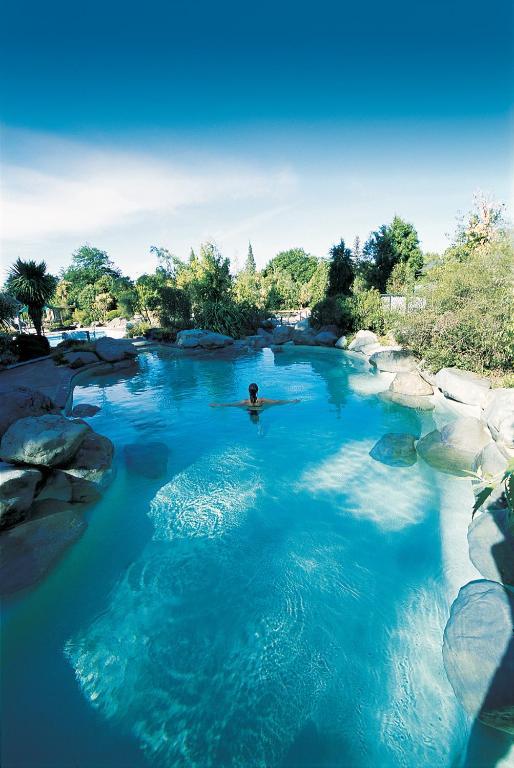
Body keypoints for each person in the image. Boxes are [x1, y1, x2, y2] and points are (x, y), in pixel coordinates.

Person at [210, 382, 300, 410]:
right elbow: (277, 402)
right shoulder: (262, 400)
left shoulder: (245, 402)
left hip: (249, 410)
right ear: (257, 391)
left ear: (248, 391)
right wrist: (291, 401)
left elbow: (230, 405)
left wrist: (218, 405)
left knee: (253, 417)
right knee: (257, 417)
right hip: (260, 410)